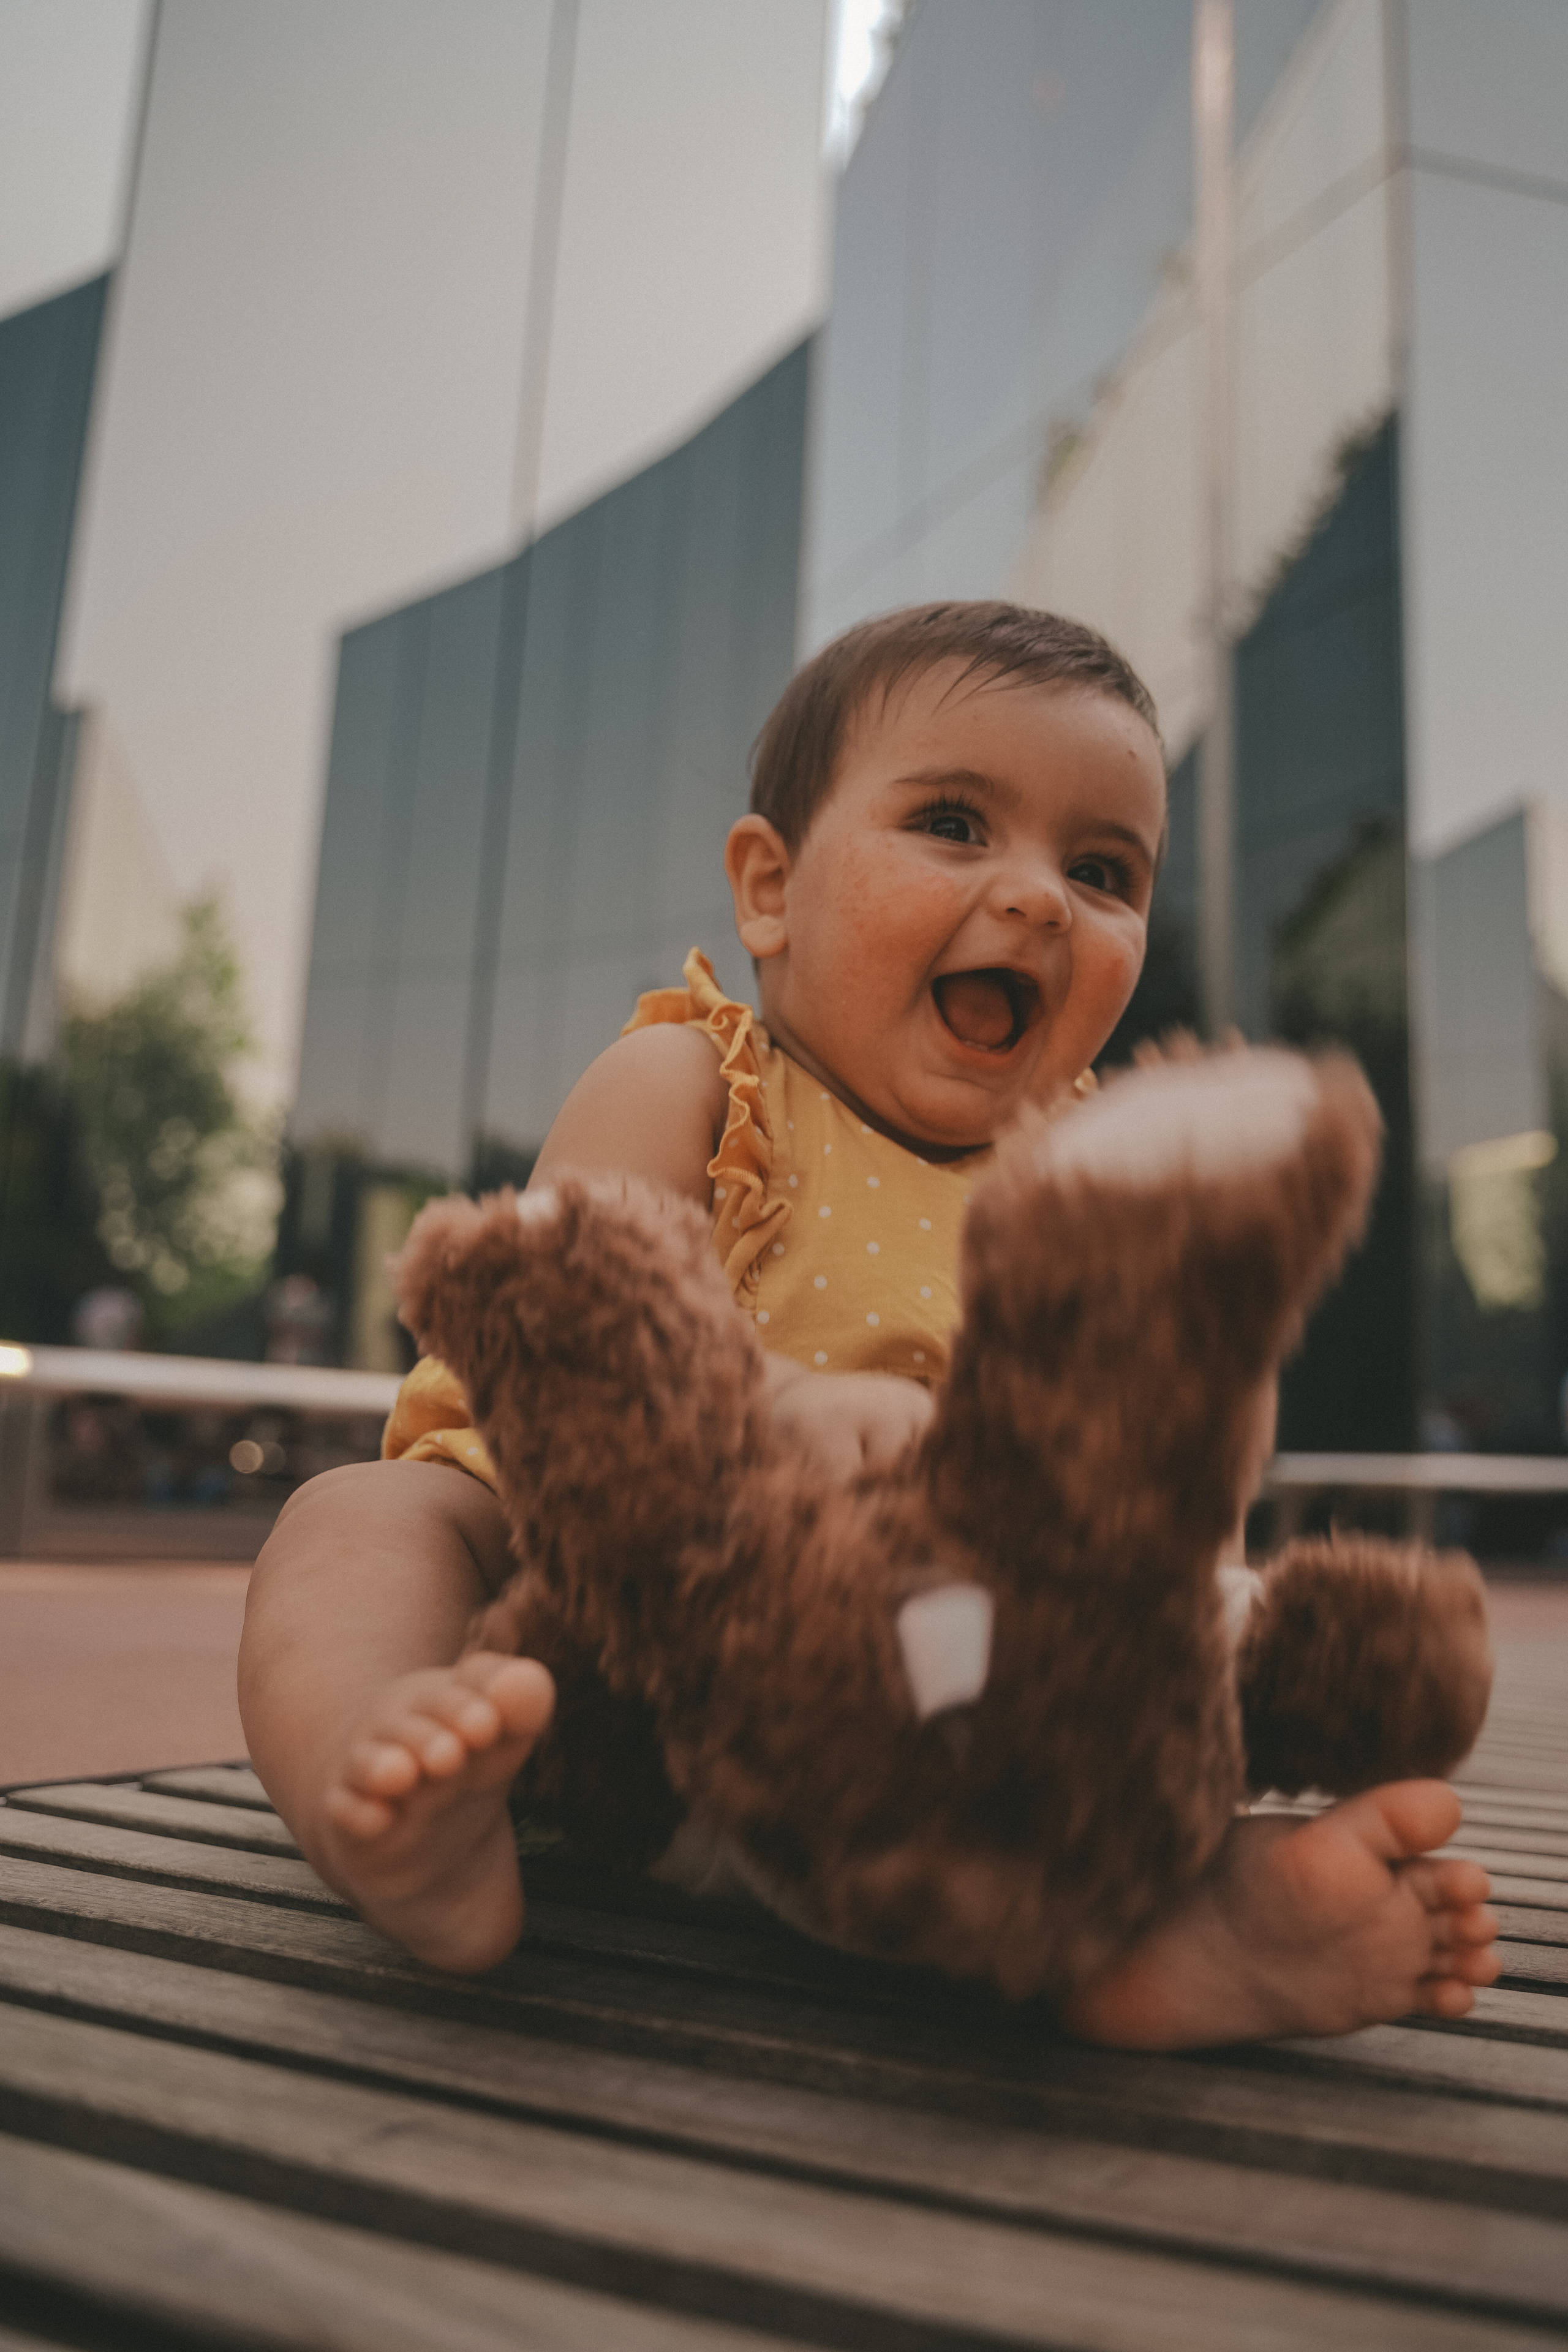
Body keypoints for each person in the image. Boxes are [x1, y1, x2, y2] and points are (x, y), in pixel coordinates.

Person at [239, 601, 1499, 2048]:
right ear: (768, 888)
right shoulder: (693, 1079)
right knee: (366, 1516)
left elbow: (1183, 1460)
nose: (1035, 898)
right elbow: (562, 1326)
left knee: (1192, 1623)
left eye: (1100, 871)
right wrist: (767, 1413)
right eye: (955, 824)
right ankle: (387, 1781)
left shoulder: (1093, 1193)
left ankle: (1170, 1917)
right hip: (614, 1661)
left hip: (935, 1712)